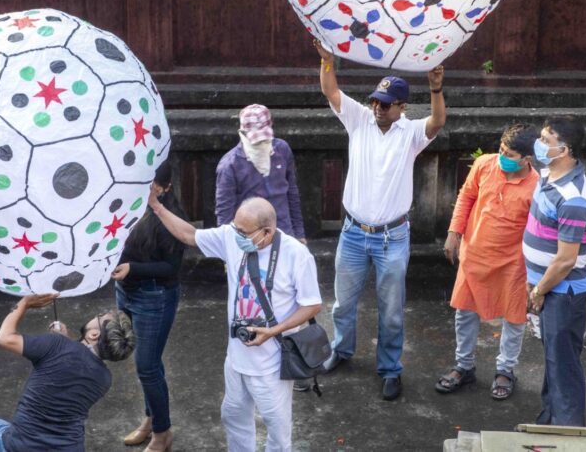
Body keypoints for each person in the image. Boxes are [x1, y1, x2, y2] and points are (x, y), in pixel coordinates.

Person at [314, 39, 446, 401]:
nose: (378, 108)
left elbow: (437, 121)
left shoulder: (411, 134)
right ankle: (341, 351)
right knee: (342, 302)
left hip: (392, 237)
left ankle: (390, 369)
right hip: (353, 232)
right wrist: (328, 63)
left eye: (386, 104)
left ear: (402, 108)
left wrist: (435, 88)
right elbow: (332, 90)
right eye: (375, 101)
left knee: (390, 310)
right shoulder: (359, 120)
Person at [149, 193, 322, 452]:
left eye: (243, 231)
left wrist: (274, 330)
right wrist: (156, 206)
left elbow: (312, 304)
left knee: (277, 429)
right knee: (233, 417)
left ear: (267, 231)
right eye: (235, 228)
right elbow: (189, 235)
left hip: (271, 364)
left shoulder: (296, 255)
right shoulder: (233, 237)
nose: (237, 235)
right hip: (236, 359)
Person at [435, 123, 540, 401]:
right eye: (501, 150)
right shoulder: (484, 164)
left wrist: (537, 275)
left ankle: (505, 371)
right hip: (474, 253)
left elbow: (539, 232)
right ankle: (464, 366)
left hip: (513, 262)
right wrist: (453, 233)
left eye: (510, 154)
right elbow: (466, 197)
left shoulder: (537, 186)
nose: (502, 156)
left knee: (515, 318)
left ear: (527, 159)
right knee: (464, 312)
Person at [0, 293, 136, 452]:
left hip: (22, 446)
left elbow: (4, 338)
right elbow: (78, 363)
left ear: (94, 335)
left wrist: (24, 302)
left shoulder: (56, 345)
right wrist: (62, 340)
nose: (96, 315)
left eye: (99, 316)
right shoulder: (104, 379)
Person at [523, 115, 586, 426]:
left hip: (561, 292)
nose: (539, 146)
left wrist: (539, 290)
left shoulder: (574, 199)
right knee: (554, 361)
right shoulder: (548, 174)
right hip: (546, 288)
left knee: (563, 366)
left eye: (546, 141)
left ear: (564, 150)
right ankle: (548, 422)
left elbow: (566, 260)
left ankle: (568, 433)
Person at [110, 161, 187, 451]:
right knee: (146, 364)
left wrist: (132, 269)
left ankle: (162, 433)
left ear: (165, 187)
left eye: (152, 185)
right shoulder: (129, 204)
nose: (145, 189)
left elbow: (171, 267)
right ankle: (151, 419)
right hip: (125, 291)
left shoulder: (171, 217)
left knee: (147, 366)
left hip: (154, 296)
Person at [216, 104, 305, 243]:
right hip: (251, 238)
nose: (261, 143)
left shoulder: (282, 150)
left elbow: (292, 193)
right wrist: (228, 248)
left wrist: (299, 234)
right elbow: (224, 212)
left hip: (285, 234)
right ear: (243, 133)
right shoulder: (229, 165)